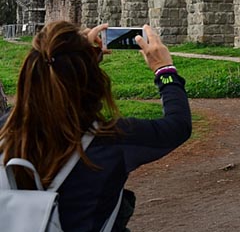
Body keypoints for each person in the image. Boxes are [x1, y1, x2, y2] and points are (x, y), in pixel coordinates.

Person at [0, 21, 191, 231]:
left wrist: (77, 57)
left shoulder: (6, 130)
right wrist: (165, 70)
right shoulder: (111, 139)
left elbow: (47, 79)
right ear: (93, 80)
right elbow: (177, 126)